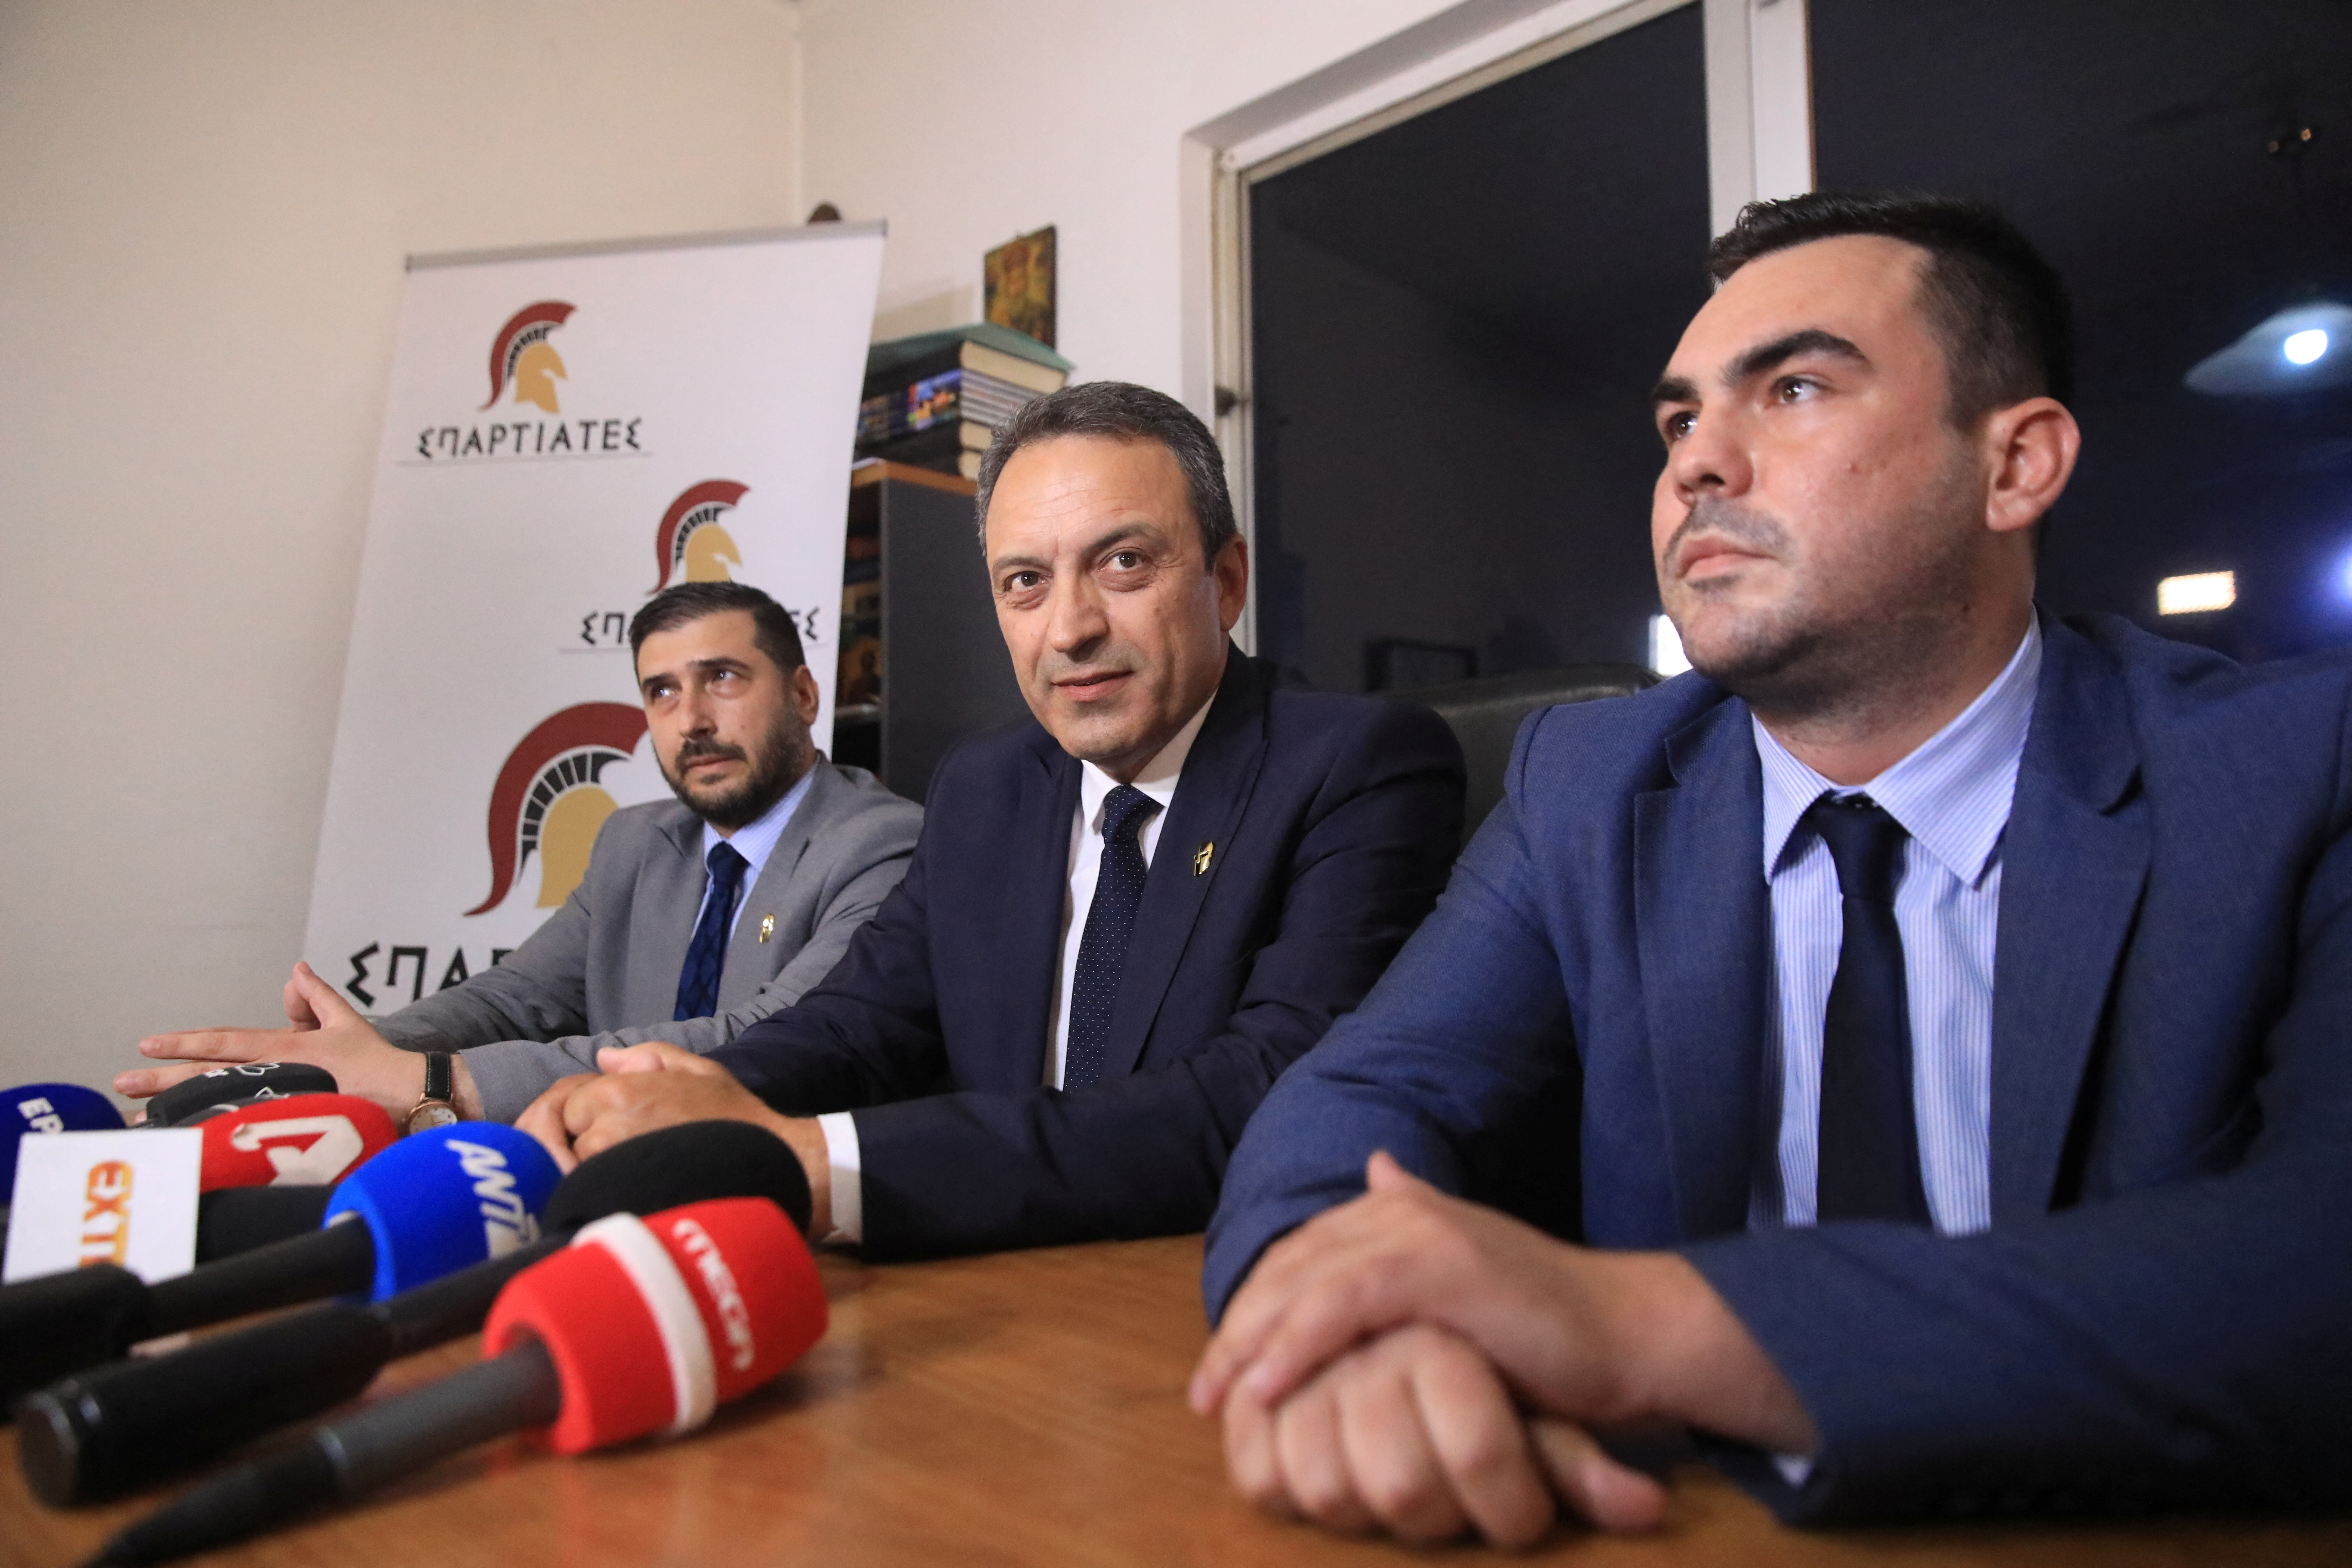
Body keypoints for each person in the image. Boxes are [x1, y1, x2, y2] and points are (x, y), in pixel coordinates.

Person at [1189, 191, 2352, 1544]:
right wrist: (1341, 1323)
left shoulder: (2295, 771)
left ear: (2016, 466)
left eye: (1793, 388)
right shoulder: (1589, 786)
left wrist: (1640, 1325)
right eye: (1681, 421)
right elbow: (1359, 1093)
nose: (1697, 466)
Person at [515, 382, 1466, 1258]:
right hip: (993, 1281)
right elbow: (860, 1022)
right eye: (1026, 582)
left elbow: (1259, 1094)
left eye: (1124, 563)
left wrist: (815, 1163)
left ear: (1225, 582)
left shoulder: (1360, 764)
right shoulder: (985, 784)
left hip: (1207, 1281)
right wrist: (683, 1095)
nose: (1070, 628)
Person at [118, 583, 923, 1130]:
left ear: (806, 696)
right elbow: (514, 998)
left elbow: (767, 1037)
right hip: (607, 1169)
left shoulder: (883, 842)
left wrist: (437, 1084)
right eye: (662, 691)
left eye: (722, 677)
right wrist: (347, 1056)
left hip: (790, 1198)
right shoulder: (635, 841)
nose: (692, 720)